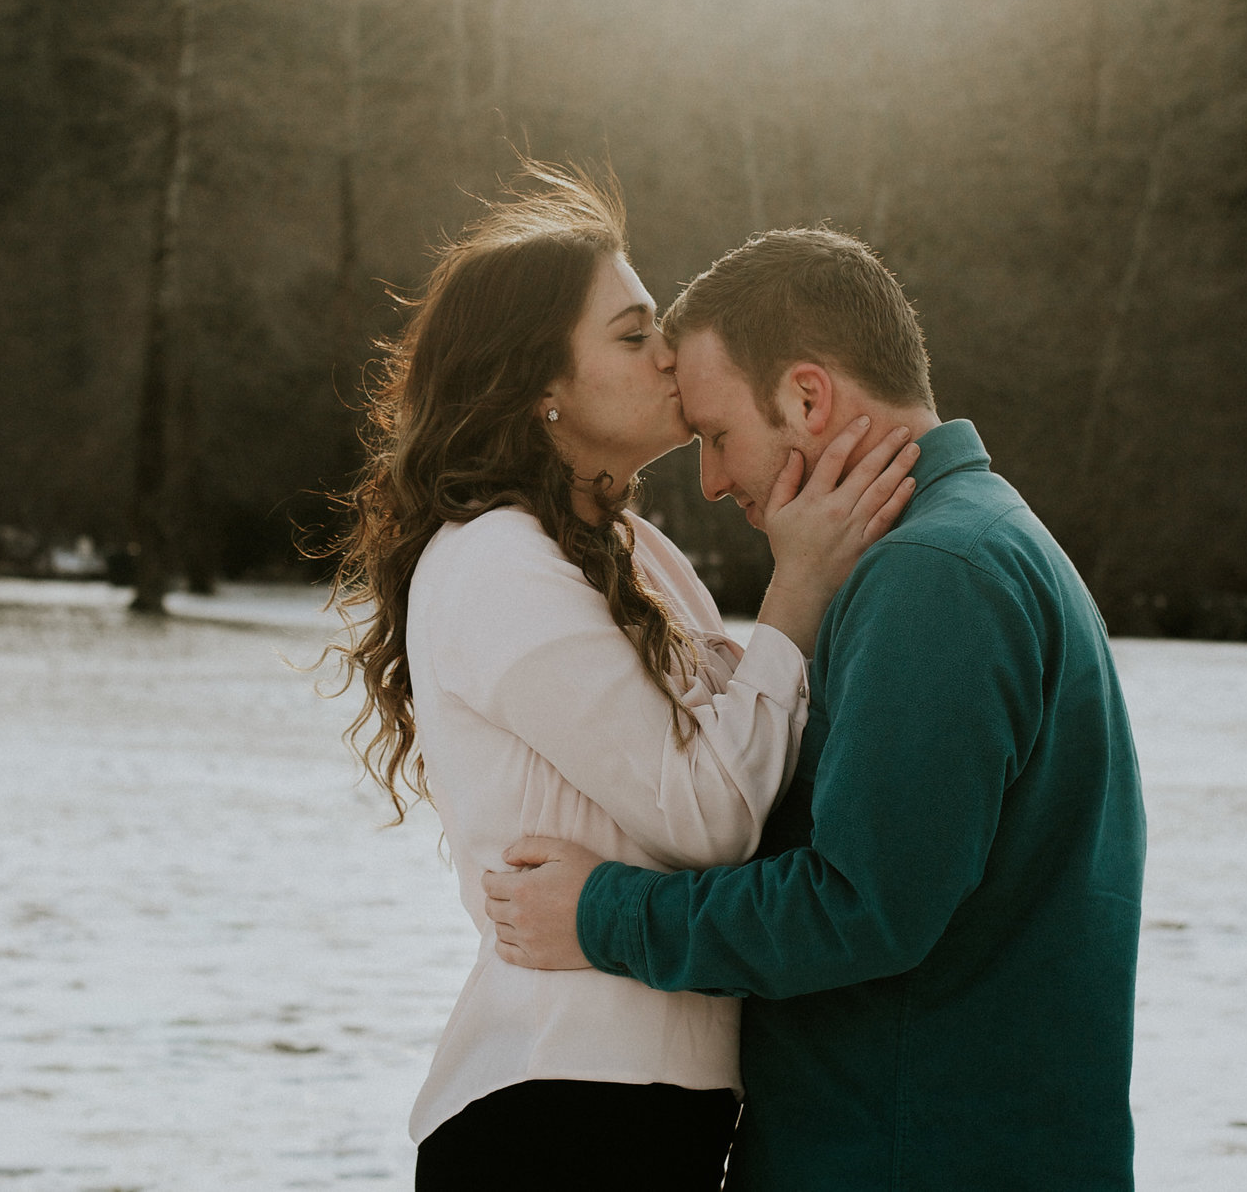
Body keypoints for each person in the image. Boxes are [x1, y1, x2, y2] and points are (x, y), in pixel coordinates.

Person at [481, 227, 1148, 1191]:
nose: (709, 481)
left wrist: (600, 913)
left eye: (718, 435)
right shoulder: (987, 542)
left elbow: (861, 906)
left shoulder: (934, 576)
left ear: (806, 397)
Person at [323, 171, 920, 1192]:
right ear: (536, 382)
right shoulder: (494, 561)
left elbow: (761, 764)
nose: (671, 352)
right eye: (634, 332)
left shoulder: (633, 550)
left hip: (655, 1112)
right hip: (554, 1114)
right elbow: (711, 812)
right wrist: (801, 583)